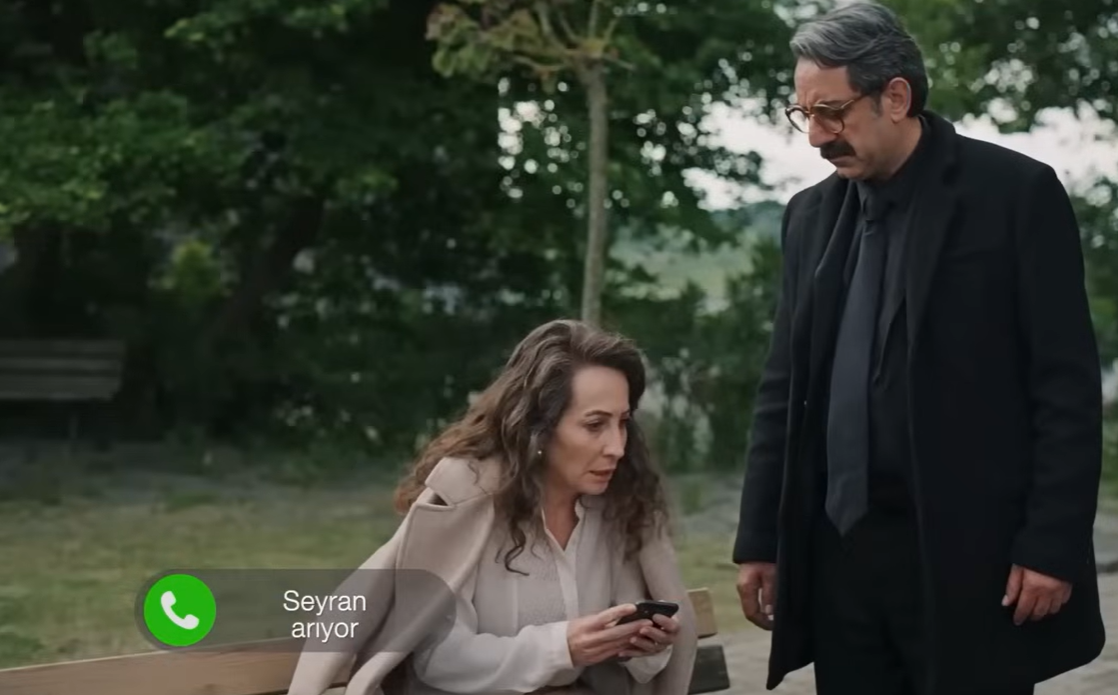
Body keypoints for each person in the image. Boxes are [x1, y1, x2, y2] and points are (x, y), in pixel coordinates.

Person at [732, 3, 1106, 695]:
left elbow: (1066, 389)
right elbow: (784, 386)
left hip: (971, 560)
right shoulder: (808, 216)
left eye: (831, 112)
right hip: (841, 564)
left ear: (896, 97)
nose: (815, 135)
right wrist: (760, 539)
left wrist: (1051, 543)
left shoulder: (1014, 195)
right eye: (803, 114)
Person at [288, 318, 698, 695]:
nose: (617, 447)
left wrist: (644, 645)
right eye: (595, 425)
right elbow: (439, 658)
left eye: (623, 422)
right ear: (538, 427)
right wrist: (562, 647)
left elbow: (639, 667)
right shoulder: (469, 502)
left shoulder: (620, 508)